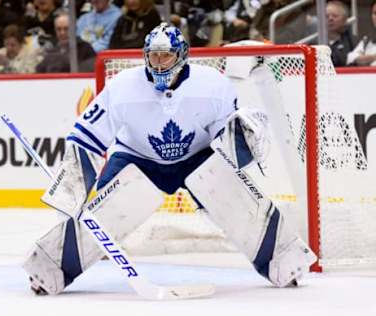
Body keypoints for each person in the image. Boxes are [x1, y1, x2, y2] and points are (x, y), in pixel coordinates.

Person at [22, 23, 316, 296]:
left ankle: (286, 262)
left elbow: (226, 145)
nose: (159, 63)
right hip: (137, 159)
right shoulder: (123, 87)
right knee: (104, 213)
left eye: (167, 56)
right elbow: (85, 137)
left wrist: (240, 142)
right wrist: (73, 185)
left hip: (196, 157)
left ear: (182, 55)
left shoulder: (213, 85)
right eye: (154, 57)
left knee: (231, 193)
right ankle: (48, 272)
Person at [326, 0, 355, 67]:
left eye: (335, 16)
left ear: (344, 20)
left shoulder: (353, 42)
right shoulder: (315, 43)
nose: (330, 19)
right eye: (326, 16)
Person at [347, 0, 376, 66]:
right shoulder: (367, 40)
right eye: (375, 13)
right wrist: (373, 57)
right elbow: (350, 58)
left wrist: (366, 58)